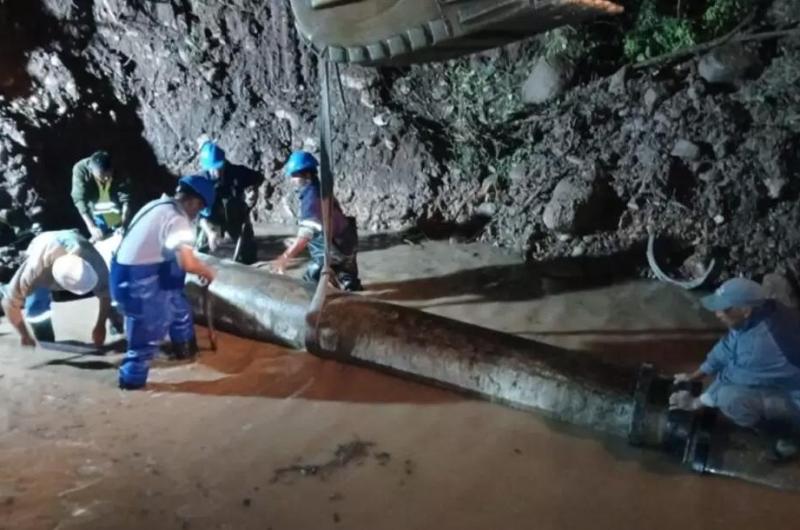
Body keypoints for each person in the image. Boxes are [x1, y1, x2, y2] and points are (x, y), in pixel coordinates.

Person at [670, 278, 800, 459]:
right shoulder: (763, 311)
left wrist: (694, 403)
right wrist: (695, 376)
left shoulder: (760, 345)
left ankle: (787, 438)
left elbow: (730, 379)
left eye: (725, 308)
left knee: (729, 398)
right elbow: (728, 346)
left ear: (745, 310)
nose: (717, 313)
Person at [111, 175, 217, 390]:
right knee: (148, 334)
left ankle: (185, 350)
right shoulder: (178, 220)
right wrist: (207, 271)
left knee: (177, 302)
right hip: (137, 280)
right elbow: (188, 263)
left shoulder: (157, 204)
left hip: (122, 273)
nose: (196, 216)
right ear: (194, 202)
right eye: (199, 209)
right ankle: (131, 383)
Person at [0, 230, 111, 347]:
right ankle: (46, 339)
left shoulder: (92, 260)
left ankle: (116, 323)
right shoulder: (35, 270)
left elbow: (106, 291)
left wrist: (101, 324)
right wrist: (24, 335)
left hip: (71, 238)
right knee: (36, 305)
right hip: (43, 244)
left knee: (108, 289)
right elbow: (9, 303)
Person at [271, 151, 362, 291]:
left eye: (295, 175)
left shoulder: (311, 198)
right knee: (348, 281)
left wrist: (285, 258)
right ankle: (352, 290)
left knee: (309, 283)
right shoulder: (321, 189)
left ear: (307, 175)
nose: (292, 180)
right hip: (348, 241)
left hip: (334, 248)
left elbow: (305, 236)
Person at [195, 141, 261, 264]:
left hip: (236, 217)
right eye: (213, 169)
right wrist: (210, 233)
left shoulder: (237, 172)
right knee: (199, 254)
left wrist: (253, 191)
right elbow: (200, 215)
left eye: (219, 167)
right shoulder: (201, 181)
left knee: (249, 256)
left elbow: (258, 178)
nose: (217, 172)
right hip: (211, 219)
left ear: (224, 162)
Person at [70, 151, 130, 242]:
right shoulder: (80, 170)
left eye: (108, 175)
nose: (106, 179)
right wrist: (92, 227)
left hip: (113, 198)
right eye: (102, 176)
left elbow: (125, 195)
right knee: (100, 235)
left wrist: (124, 218)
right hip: (94, 202)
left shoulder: (117, 167)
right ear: (92, 171)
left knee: (121, 227)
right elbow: (79, 200)